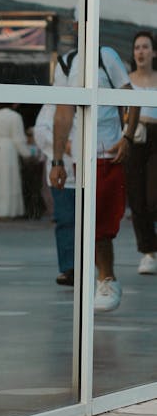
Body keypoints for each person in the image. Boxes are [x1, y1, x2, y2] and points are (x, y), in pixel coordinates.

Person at [50, 43, 140, 313]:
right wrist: (57, 161)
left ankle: (107, 279)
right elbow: (63, 113)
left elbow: (130, 98)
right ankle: (103, 278)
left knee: (101, 220)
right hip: (82, 154)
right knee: (89, 220)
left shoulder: (106, 55)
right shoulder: (67, 62)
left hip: (108, 150)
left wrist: (127, 137)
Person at [125, 31, 157, 275]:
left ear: (153, 52)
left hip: (156, 137)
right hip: (133, 138)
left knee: (153, 198)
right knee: (136, 199)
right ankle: (148, 252)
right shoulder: (125, 80)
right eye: (137, 47)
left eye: (145, 47)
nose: (141, 52)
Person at [34, 103, 76, 286]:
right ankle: (69, 268)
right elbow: (41, 133)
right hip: (64, 171)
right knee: (66, 219)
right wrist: (63, 145)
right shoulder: (52, 104)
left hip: (93, 167)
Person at [0, 103, 32, 218]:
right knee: (6, 179)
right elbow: (18, 139)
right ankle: (4, 211)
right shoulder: (13, 116)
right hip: (6, 150)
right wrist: (27, 155)